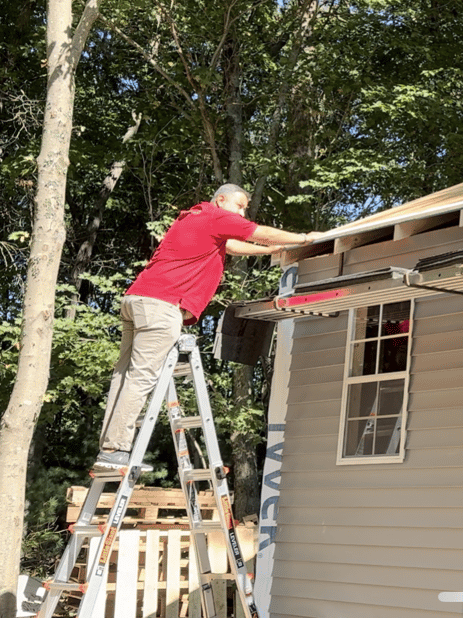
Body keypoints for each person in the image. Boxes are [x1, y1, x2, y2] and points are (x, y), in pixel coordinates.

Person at [94, 184, 320, 470]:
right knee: (141, 378)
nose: (242, 211)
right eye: (239, 206)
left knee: (124, 376)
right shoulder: (215, 215)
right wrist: (303, 238)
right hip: (163, 306)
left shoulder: (193, 218)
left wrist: (273, 249)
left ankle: (108, 449)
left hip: (137, 299)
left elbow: (233, 245)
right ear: (221, 199)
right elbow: (255, 231)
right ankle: (116, 448)